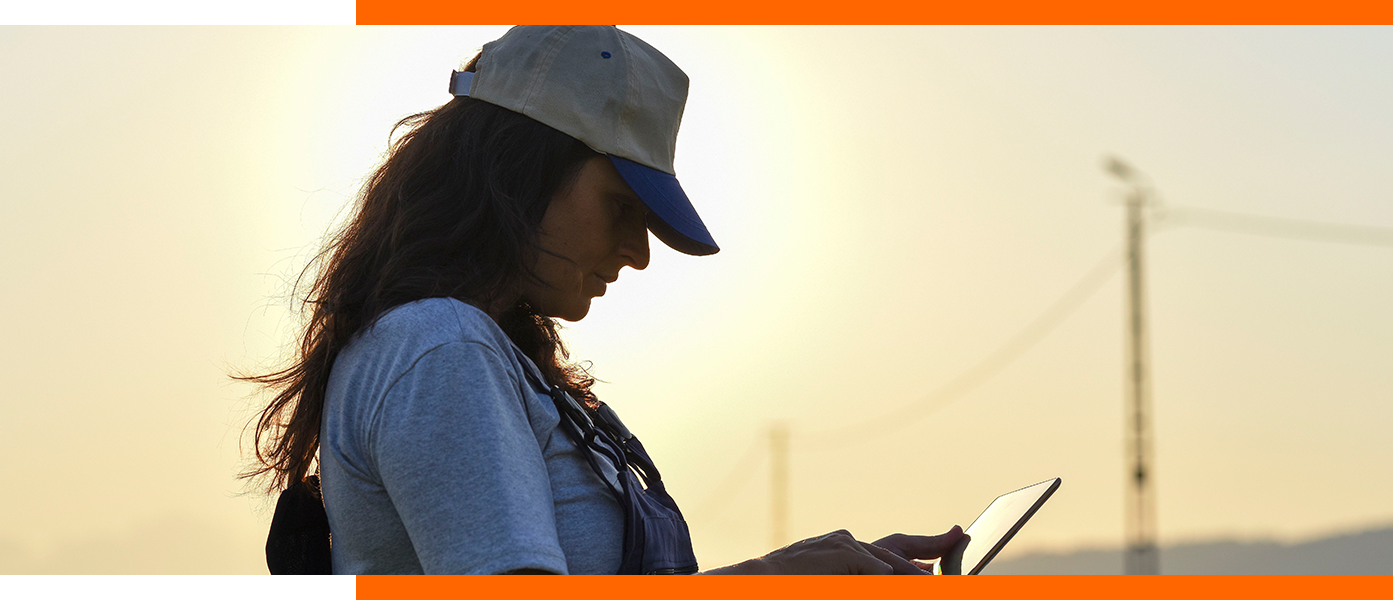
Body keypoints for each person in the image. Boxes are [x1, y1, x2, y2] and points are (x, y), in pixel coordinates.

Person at [244, 25, 967, 575]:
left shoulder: (474, 354)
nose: (639, 253)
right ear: (517, 172)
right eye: (621, 208)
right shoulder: (442, 348)